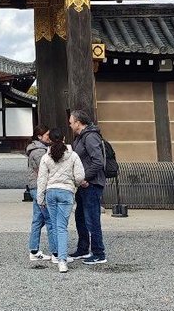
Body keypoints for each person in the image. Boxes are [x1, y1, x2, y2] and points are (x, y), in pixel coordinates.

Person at [37, 128, 84, 273]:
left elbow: (42, 179)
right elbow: (80, 176)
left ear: (49, 140)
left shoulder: (46, 157)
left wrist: (40, 198)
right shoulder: (73, 155)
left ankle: (57, 254)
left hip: (51, 192)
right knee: (62, 226)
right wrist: (74, 185)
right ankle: (62, 260)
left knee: (55, 225)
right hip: (66, 192)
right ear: (64, 138)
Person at [69, 109, 107, 265]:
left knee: (92, 218)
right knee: (81, 217)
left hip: (91, 183)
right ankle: (83, 248)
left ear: (78, 122)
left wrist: (85, 178)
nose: (70, 124)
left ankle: (99, 253)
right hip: (83, 184)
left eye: (71, 121)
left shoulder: (90, 137)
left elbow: (98, 161)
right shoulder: (81, 137)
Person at [25, 125, 52, 263]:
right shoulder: (39, 152)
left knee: (37, 220)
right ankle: (56, 252)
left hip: (34, 186)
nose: (49, 137)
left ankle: (34, 250)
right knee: (50, 219)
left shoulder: (34, 149)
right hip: (39, 187)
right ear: (40, 137)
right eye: (47, 135)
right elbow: (44, 170)